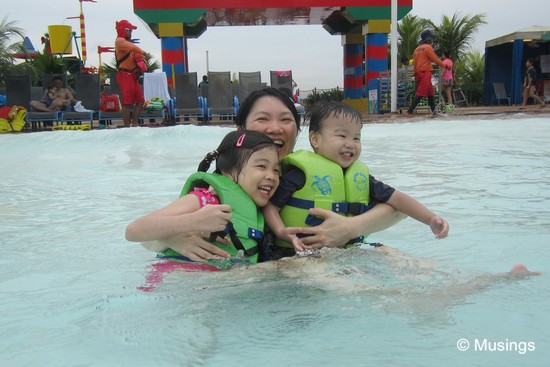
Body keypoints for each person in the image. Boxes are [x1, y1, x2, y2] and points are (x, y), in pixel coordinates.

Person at [137, 87, 404, 262]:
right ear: (240, 129)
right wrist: (171, 235)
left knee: (397, 258)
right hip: (257, 280)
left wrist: (350, 228)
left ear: (302, 134)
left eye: (286, 120)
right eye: (263, 119)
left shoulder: (309, 176)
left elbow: (397, 208)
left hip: (306, 267)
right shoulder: (220, 188)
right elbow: (145, 233)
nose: (275, 128)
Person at [263, 101, 449, 256]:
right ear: (315, 139)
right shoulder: (299, 173)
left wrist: (430, 219)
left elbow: (397, 199)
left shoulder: (360, 177)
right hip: (301, 253)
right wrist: (281, 232)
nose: (350, 144)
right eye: (342, 135)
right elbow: (271, 206)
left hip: (350, 250)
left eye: (357, 138)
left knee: (394, 255)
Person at [126, 130, 280, 267]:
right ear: (228, 170)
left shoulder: (256, 213)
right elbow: (134, 231)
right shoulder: (206, 200)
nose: (272, 176)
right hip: (178, 283)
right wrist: (193, 221)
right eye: (261, 166)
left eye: (276, 170)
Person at [406, 30, 450, 116]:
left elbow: (415, 63)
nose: (432, 41)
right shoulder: (428, 47)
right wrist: (445, 66)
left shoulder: (416, 50)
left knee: (431, 93)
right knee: (420, 93)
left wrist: (415, 75)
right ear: (428, 39)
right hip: (425, 73)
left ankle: (434, 112)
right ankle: (409, 111)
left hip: (418, 73)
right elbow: (435, 59)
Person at [114, 19, 148, 127]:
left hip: (133, 76)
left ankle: (134, 124)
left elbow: (136, 59)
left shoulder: (128, 45)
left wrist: (140, 66)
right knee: (127, 102)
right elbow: (134, 48)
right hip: (125, 75)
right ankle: (127, 126)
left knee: (140, 101)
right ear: (123, 30)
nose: (131, 32)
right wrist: (144, 53)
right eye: (129, 30)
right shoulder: (119, 41)